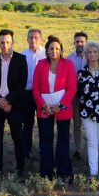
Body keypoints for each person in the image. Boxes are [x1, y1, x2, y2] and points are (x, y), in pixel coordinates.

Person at [32, 36, 77, 182]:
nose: (54, 51)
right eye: (51, 48)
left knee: (63, 140)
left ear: (61, 50)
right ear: (47, 50)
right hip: (44, 108)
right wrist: (43, 105)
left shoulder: (68, 64)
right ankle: (46, 174)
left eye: (57, 48)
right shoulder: (40, 64)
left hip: (62, 109)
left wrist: (60, 106)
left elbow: (72, 89)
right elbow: (36, 89)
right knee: (46, 141)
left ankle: (64, 173)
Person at [0, 29, 28, 179]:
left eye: (8, 42)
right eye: (2, 42)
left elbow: (21, 85)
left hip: (14, 106)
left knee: (18, 138)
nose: (5, 45)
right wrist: (0, 100)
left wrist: (8, 100)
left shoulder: (21, 60)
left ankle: (20, 170)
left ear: (13, 43)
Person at [77, 41, 99, 182]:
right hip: (87, 112)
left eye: (95, 52)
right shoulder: (81, 73)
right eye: (90, 52)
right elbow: (78, 93)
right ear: (86, 54)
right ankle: (93, 172)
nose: (92, 54)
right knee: (92, 142)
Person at [21, 28, 46, 161]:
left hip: (43, 95)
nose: (33, 40)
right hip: (27, 94)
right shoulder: (22, 55)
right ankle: (27, 150)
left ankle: (44, 149)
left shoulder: (46, 55)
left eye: (36, 37)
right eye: (30, 37)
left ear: (41, 39)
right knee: (27, 123)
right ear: (27, 39)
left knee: (43, 123)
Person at [66, 31, 88, 161]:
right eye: (77, 41)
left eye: (82, 41)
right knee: (77, 123)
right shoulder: (69, 59)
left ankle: (92, 148)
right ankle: (78, 149)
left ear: (86, 42)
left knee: (91, 123)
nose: (79, 44)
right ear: (74, 43)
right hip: (74, 95)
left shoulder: (92, 56)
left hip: (90, 95)